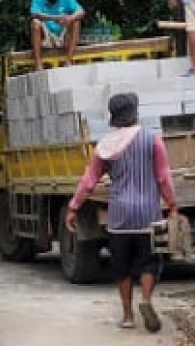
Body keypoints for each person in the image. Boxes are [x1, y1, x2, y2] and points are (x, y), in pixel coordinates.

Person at [65, 93, 179, 332]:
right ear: (135, 113)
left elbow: (89, 181)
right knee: (149, 262)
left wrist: (74, 207)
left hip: (119, 217)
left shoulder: (106, 145)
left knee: (121, 266)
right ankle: (146, 300)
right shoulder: (153, 140)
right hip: (149, 215)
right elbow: (163, 177)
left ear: (114, 117)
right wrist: (172, 205)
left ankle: (127, 316)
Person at [29, 0, 85, 70]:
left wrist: (70, 18)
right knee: (35, 23)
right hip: (46, 37)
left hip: (63, 36)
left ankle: (68, 61)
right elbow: (34, 14)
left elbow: (81, 11)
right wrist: (55, 18)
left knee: (76, 22)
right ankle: (38, 64)